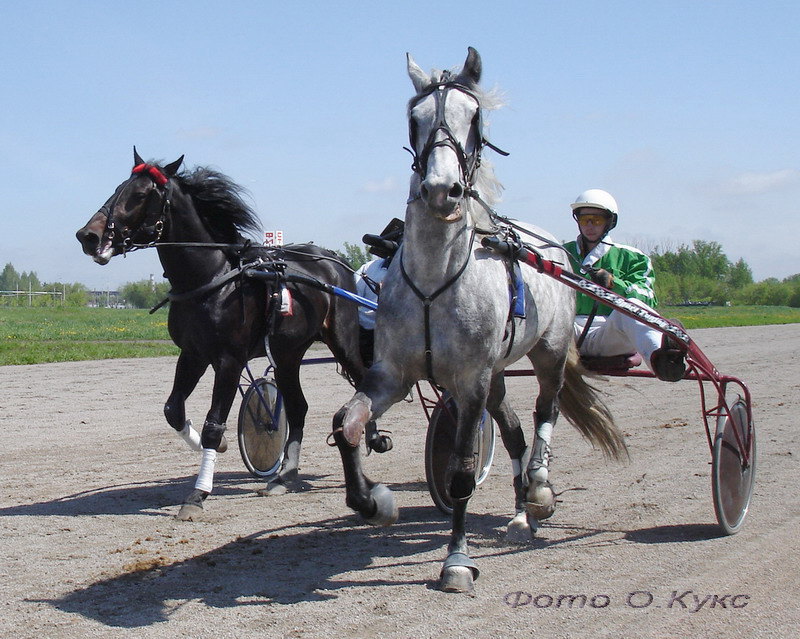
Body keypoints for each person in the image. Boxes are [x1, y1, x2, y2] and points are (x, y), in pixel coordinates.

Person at [564, 189, 686, 382]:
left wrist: (615, 284)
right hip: (566, 332)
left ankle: (663, 360)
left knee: (632, 309)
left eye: (596, 220)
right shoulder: (559, 253)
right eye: (584, 219)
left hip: (610, 334)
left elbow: (648, 298)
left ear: (609, 222)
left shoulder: (633, 257)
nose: (589, 225)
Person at [355, 218, 404, 367]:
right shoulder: (369, 267)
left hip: (399, 335)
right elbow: (352, 294)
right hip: (366, 332)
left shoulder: (415, 273)